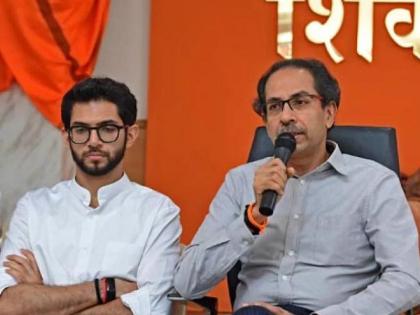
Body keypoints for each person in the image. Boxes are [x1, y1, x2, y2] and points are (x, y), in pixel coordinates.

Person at [173, 59, 420, 315]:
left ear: (329, 113)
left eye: (300, 102)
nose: (286, 117)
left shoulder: (374, 183)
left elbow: (407, 280)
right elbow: (186, 284)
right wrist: (252, 218)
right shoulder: (240, 181)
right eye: (275, 106)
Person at [0, 78, 181, 315]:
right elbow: (8, 305)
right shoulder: (33, 208)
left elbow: (149, 310)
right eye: (81, 130)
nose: (93, 141)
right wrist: (106, 288)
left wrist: (41, 295)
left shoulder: (158, 212)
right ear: (67, 137)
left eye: (107, 129)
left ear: (131, 135)